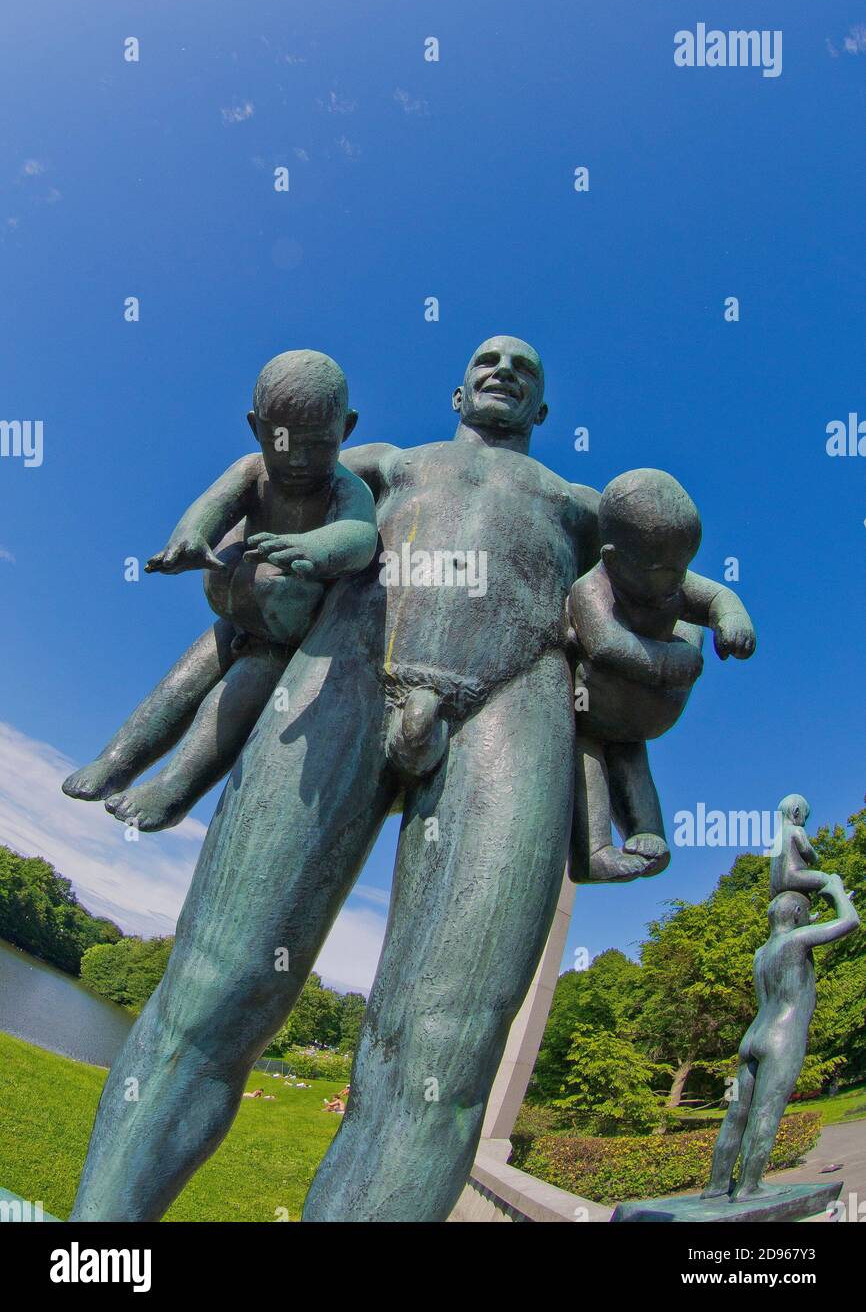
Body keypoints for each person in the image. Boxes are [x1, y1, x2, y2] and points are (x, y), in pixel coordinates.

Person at [69, 336, 713, 1225]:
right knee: (215, 988)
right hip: (354, 663)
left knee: (440, 1058)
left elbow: (668, 579)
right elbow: (274, 472)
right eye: (487, 360)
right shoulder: (388, 464)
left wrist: (685, 642)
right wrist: (232, 552)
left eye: (525, 371)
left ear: (543, 414)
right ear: (456, 390)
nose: (504, 370)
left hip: (511, 701)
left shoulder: (578, 506)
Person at [62, 351, 376, 831]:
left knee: (238, 692)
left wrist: (316, 547)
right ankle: (117, 761)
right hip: (234, 614)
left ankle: (173, 789)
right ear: (256, 428)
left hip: (280, 635)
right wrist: (189, 540)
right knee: (181, 682)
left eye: (317, 444)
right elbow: (208, 508)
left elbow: (359, 537)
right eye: (282, 441)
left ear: (346, 430)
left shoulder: (344, 488)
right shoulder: (252, 471)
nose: (297, 458)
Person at [566, 468, 756, 882]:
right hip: (593, 710)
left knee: (632, 758)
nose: (677, 579)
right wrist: (673, 663)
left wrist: (731, 617)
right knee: (589, 759)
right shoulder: (591, 589)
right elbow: (605, 644)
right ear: (613, 558)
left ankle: (647, 831)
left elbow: (719, 596)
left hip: (635, 716)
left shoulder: (673, 581)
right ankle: (593, 851)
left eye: (683, 565)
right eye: (662, 569)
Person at [702, 875, 859, 1201]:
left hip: (752, 1039)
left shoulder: (761, 952)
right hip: (781, 1037)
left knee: (735, 1114)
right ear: (798, 917)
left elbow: (794, 932)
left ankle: (716, 1185)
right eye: (804, 914)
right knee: (764, 1112)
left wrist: (806, 919)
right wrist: (837, 891)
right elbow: (850, 921)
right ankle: (749, 1186)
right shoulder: (797, 941)